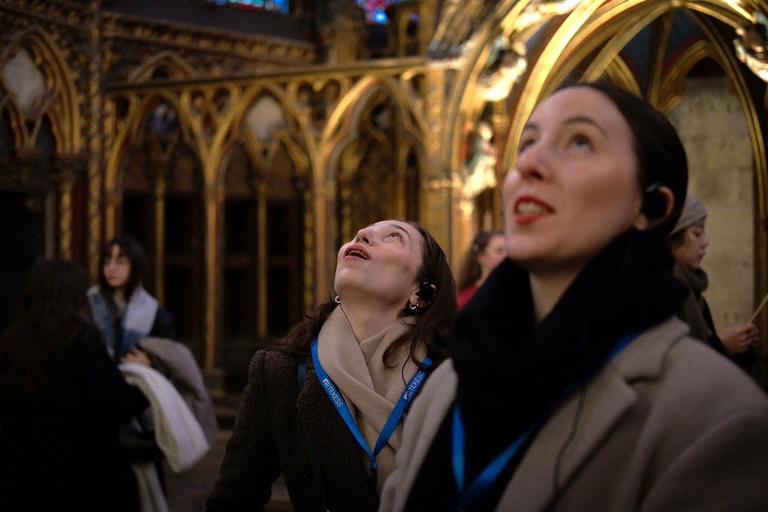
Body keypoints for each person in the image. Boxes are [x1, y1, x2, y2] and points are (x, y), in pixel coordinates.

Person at [380, 82, 768, 511]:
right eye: (528, 142)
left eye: (580, 141)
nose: (530, 163)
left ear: (652, 206)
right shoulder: (447, 387)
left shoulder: (713, 416)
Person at [206, 219, 457, 512]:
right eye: (361, 233)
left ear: (421, 291)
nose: (362, 235)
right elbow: (233, 501)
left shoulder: (453, 376)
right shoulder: (281, 374)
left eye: (393, 237)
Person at [0, 259, 150, 511]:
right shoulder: (82, 341)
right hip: (79, 468)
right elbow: (117, 400)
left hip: (21, 469)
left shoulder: (11, 341)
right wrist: (145, 382)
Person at [670, 193, 759, 367]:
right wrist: (721, 344)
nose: (705, 242)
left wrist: (741, 349)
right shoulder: (664, 292)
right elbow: (674, 368)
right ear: (673, 238)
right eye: (697, 233)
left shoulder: (697, 297)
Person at [88, 235, 177, 364]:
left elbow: (173, 356)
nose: (111, 268)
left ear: (135, 266)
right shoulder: (88, 303)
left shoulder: (152, 312)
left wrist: (150, 362)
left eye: (120, 262)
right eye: (106, 262)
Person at [456, 230, 507, 309]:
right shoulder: (467, 299)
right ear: (481, 257)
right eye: (499, 251)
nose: (506, 256)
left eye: (509, 251)